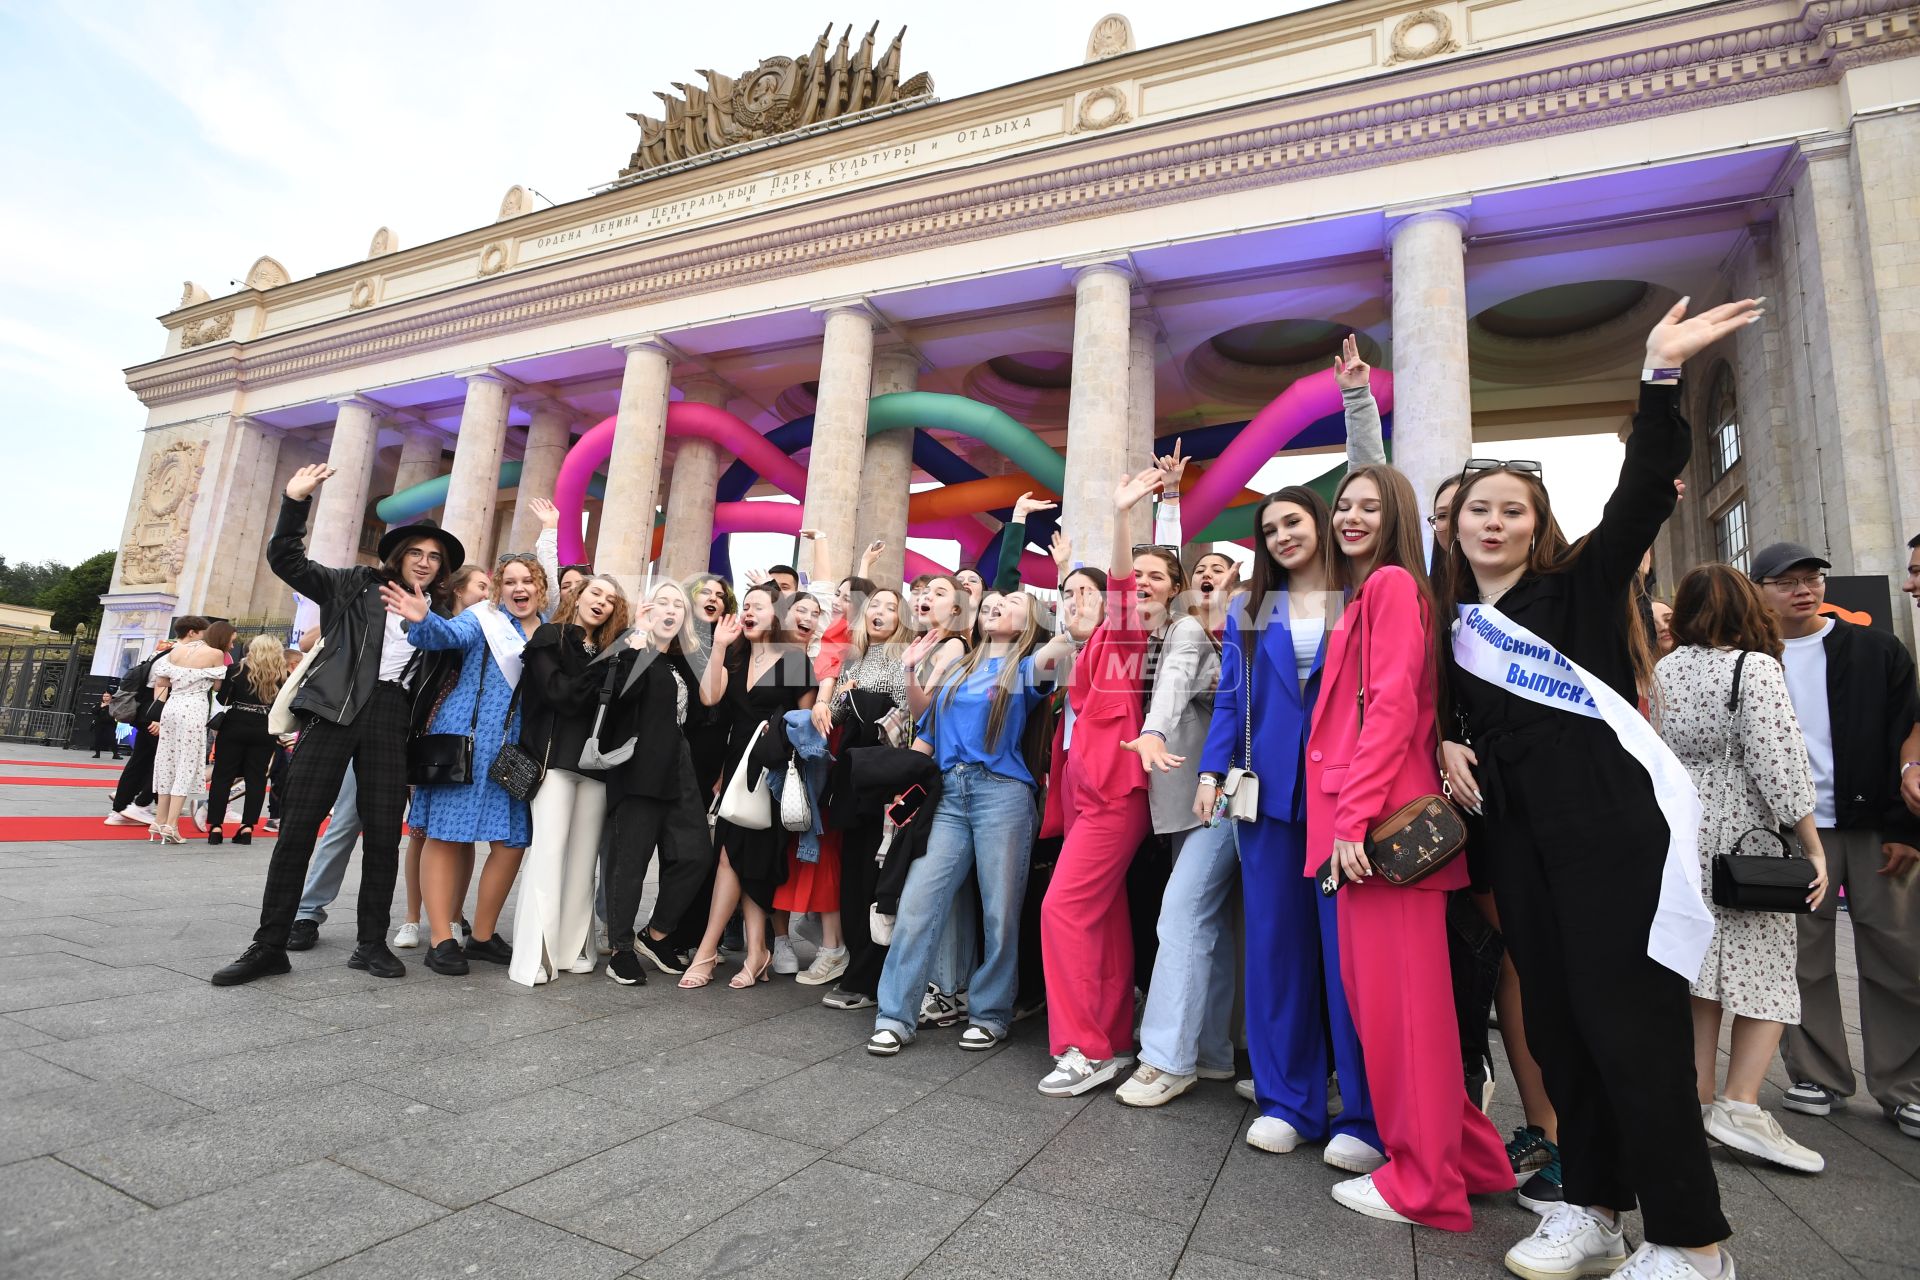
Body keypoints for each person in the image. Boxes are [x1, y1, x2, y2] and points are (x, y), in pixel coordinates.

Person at [1444, 299, 1760, 1279]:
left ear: (1536, 527)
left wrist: (1658, 377)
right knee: (1557, 1025)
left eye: (1513, 509)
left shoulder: (1575, 588)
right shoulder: (1454, 625)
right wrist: (1451, 740)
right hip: (1520, 839)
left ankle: (1691, 1239)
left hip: (1607, 827)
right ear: (1452, 525)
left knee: (1632, 1026)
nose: (1493, 521)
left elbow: (1639, 498)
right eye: (1476, 509)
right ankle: (1592, 1208)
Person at [1309, 464, 1510, 1229]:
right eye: (1343, 505)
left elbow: (1390, 708)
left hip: (1382, 833)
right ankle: (1473, 1162)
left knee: (1402, 1018)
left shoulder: (1390, 586)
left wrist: (1351, 821)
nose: (1350, 517)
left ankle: (1425, 1184)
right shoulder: (1376, 589)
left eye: (1369, 506)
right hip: (1380, 830)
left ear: (1395, 515)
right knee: (1405, 1011)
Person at [212, 463, 463, 986]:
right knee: (298, 827)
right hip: (333, 711)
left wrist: (427, 621)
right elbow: (286, 558)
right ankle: (269, 944)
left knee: (380, 836)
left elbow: (456, 651)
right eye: (416, 552)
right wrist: (294, 500)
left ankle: (370, 944)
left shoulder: (440, 612)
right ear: (399, 556)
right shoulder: (354, 584)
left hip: (392, 718)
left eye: (434, 558)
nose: (424, 562)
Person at [1657, 564, 1829, 1172]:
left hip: (1684, 830)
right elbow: (1779, 762)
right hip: (1747, 834)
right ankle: (1742, 1104)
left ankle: (1696, 1103)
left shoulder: (1665, 669)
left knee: (1699, 975)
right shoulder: (1752, 668)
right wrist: (1810, 844)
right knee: (1766, 967)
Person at [1750, 540, 1920, 1142]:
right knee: (1803, 959)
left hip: (1874, 825)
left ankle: (1903, 1086)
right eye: (1787, 581)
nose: (1805, 588)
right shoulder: (1749, 657)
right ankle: (1817, 1075)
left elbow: (1908, 736)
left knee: (1897, 955)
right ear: (1760, 592)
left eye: (1812, 578)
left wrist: (1906, 829)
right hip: (1792, 831)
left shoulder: (1874, 649)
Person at [1033, 461, 1184, 1097]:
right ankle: (1116, 1037)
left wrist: (1124, 514)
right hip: (1089, 801)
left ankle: (1085, 1047)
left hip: (1114, 801)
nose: (1073, 603)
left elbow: (1122, 585)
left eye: (1084, 594)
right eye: (1066, 596)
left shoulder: (1120, 640)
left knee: (1061, 911)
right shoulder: (1083, 652)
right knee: (1104, 916)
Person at [866, 588, 1070, 1056]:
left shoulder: (1024, 667)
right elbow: (926, 725)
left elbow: (1062, 649)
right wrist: (911, 668)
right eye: (993, 601)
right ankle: (894, 1015)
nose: (997, 604)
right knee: (918, 900)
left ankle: (990, 1014)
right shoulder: (959, 665)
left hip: (1002, 793)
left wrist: (1062, 579)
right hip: (950, 794)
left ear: (1027, 622)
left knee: (1000, 911)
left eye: (1013, 603)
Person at [294, 567, 491, 953]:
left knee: (430, 829)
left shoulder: (469, 628)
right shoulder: (404, 608)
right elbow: (311, 640)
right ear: (458, 588)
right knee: (349, 818)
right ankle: (308, 912)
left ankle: (440, 913)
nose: (489, 594)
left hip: (432, 739)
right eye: (482, 586)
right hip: (378, 722)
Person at [388, 555, 547, 976]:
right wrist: (423, 619)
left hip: (515, 750)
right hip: (467, 739)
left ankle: (481, 935)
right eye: (509, 581)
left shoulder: (549, 627)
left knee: (512, 841)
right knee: (445, 835)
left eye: (527, 580)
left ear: (540, 586)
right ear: (499, 588)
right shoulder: (483, 618)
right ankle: (441, 938)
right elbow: (444, 634)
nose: (518, 587)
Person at [682, 582, 815, 989]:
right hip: (736, 770)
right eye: (747, 606)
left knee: (736, 859)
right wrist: (720, 646)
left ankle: (709, 949)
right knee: (735, 858)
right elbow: (708, 698)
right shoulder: (735, 658)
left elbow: (804, 725)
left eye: (759, 606)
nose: (749, 612)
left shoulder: (794, 659)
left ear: (776, 614)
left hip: (772, 771)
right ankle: (756, 951)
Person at [509, 572, 629, 986]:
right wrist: (603, 668)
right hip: (554, 761)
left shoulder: (613, 651)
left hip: (596, 767)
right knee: (548, 852)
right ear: (578, 595)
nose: (602, 602)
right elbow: (559, 693)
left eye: (611, 599)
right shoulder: (551, 636)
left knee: (583, 861)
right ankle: (535, 955)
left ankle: (574, 947)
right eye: (596, 593)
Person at [603, 580, 714, 981]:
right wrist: (637, 639)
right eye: (662, 602)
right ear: (648, 609)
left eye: (678, 606)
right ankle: (620, 947)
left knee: (696, 853)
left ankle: (655, 933)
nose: (670, 610)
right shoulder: (632, 650)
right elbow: (618, 699)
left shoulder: (683, 661)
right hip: (639, 765)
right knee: (629, 863)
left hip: (679, 765)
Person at [817, 585, 911, 1008]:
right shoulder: (854, 656)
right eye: (876, 604)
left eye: (892, 607)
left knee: (875, 882)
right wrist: (839, 696)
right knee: (853, 879)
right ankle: (857, 970)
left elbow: (903, 716)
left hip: (885, 784)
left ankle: (867, 980)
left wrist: (856, 697)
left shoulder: (903, 658)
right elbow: (835, 716)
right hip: (851, 780)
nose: (881, 612)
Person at [147, 620, 233, 845]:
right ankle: (171, 825)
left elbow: (162, 679)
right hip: (194, 708)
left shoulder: (176, 650)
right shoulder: (215, 654)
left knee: (166, 761)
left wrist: (182, 678)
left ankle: (158, 820)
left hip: (172, 706)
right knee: (186, 763)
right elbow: (217, 687)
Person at [106, 622, 199, 827]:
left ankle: (121, 808)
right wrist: (159, 718)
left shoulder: (163, 650)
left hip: (147, 709)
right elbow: (160, 685)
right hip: (157, 710)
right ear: (191, 633)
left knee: (142, 760)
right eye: (202, 634)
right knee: (164, 762)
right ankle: (138, 805)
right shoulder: (175, 654)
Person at [205, 634, 289, 844]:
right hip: (264, 728)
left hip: (234, 724)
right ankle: (247, 827)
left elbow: (223, 698)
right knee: (257, 778)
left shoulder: (236, 670)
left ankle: (215, 826)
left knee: (223, 776)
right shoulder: (282, 675)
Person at [91, 693, 124, 759]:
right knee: (97, 738)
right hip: (99, 724)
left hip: (110, 724)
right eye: (104, 696)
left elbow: (119, 712)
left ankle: (115, 754)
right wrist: (101, 707)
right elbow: (93, 712)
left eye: (107, 696)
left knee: (112, 739)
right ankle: (97, 754)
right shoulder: (98, 704)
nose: (105, 697)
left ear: (111, 697)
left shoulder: (114, 705)